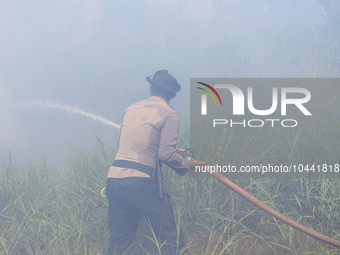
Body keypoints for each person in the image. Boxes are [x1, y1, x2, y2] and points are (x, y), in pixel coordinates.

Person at [106, 70, 206, 255]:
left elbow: (128, 144)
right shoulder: (170, 114)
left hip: (114, 181)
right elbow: (166, 155)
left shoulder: (131, 108)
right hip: (141, 182)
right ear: (174, 94)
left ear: (151, 89)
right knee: (169, 238)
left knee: (119, 242)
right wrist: (189, 164)